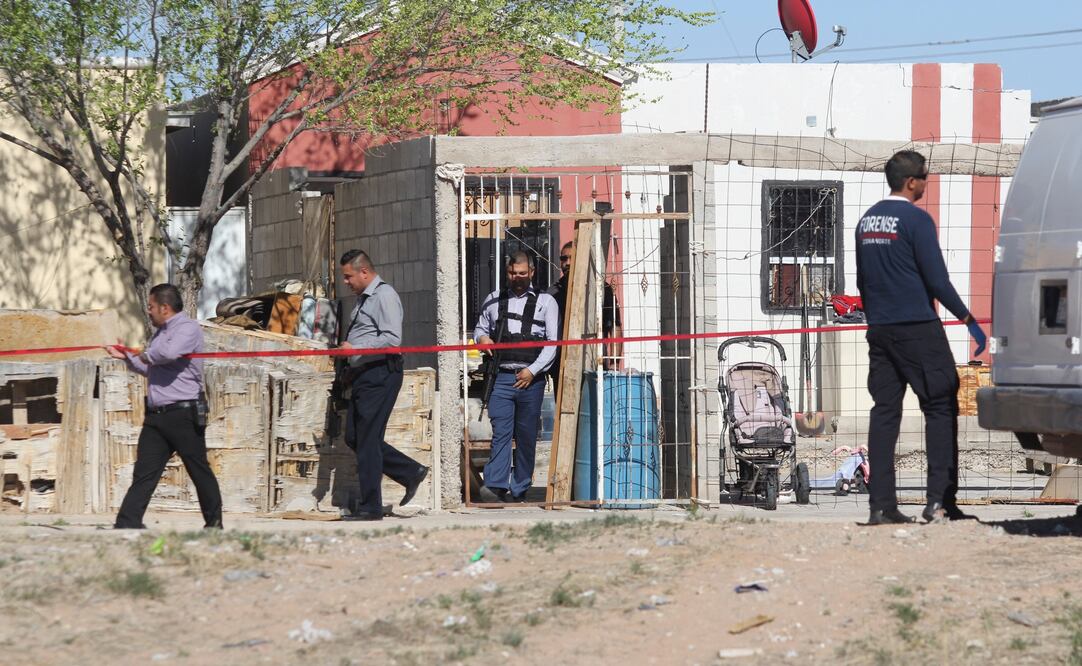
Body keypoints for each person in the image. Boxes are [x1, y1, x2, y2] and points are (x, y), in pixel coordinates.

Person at [855, 150, 987, 525]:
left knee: (885, 413)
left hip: (880, 330)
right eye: (925, 176)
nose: (927, 182)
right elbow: (937, 281)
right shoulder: (916, 219)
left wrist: (879, 316)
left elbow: (864, 280)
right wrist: (969, 320)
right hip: (917, 327)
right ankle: (939, 502)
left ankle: (881, 506)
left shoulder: (866, 222)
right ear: (912, 181)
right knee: (941, 405)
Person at [109, 284, 223, 529]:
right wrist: (127, 357)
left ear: (165, 307)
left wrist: (144, 353)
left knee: (198, 469)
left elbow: (168, 354)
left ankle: (214, 524)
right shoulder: (160, 334)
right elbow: (150, 367)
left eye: (151, 307)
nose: (148, 312)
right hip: (157, 417)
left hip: (183, 413)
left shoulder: (188, 328)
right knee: (144, 472)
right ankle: (128, 523)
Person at [338, 249, 429, 521]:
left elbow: (392, 339)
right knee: (355, 437)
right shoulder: (363, 299)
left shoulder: (385, 296)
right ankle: (409, 472)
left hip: (380, 374)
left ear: (364, 272)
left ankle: (370, 507)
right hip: (364, 374)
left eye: (348, 276)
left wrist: (356, 348)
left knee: (367, 440)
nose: (346, 282)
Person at [475, 251, 559, 502]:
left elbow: (552, 343)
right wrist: (482, 338)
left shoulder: (546, 302)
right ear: (507, 272)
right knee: (501, 431)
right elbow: (481, 327)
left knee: (525, 435)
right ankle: (495, 485)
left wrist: (532, 371)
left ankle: (520, 486)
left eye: (523, 273)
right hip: (501, 376)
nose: (518, 278)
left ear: (532, 272)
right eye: (513, 273)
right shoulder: (493, 300)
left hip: (531, 380)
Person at [547, 240, 623, 381]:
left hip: (593, 361)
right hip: (561, 363)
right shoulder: (553, 292)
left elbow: (614, 326)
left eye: (572, 258)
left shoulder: (601, 290)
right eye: (563, 258)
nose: (567, 263)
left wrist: (614, 363)